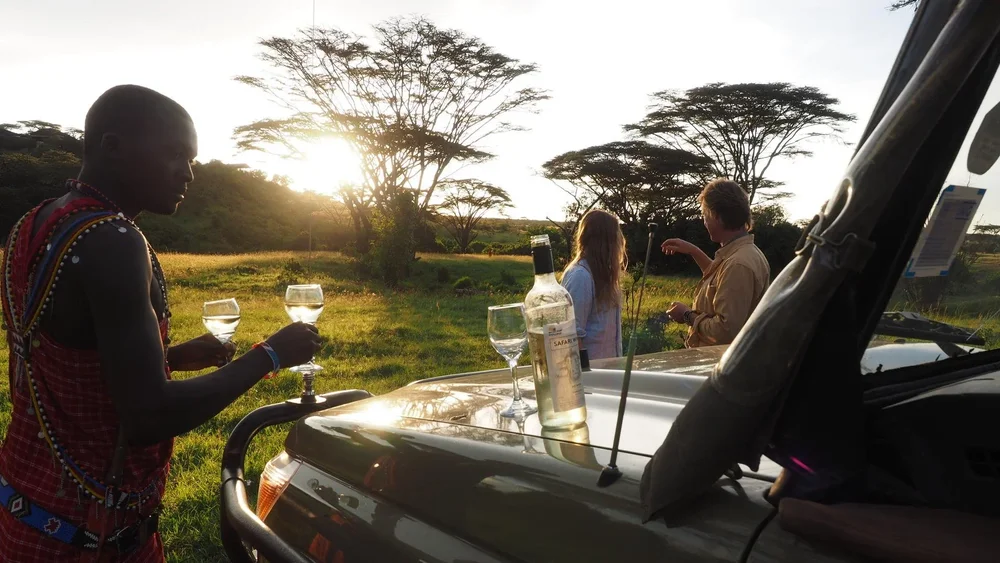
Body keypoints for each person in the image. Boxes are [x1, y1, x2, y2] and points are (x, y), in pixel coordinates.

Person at [0, 85, 321, 562]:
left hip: (26, 505)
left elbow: (64, 357)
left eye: (190, 158)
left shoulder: (35, 222)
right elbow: (149, 414)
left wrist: (168, 357)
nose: (187, 172)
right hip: (92, 533)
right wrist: (271, 354)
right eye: (174, 154)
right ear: (112, 145)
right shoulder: (114, 240)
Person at [662, 178, 770, 348]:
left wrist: (687, 315)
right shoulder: (742, 255)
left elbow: (725, 331)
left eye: (705, 216)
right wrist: (694, 251)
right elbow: (721, 280)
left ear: (717, 216)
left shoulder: (738, 264)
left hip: (719, 366)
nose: (704, 222)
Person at [560, 209, 626, 363]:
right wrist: (588, 376)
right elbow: (572, 337)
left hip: (607, 374)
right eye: (616, 237)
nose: (620, 242)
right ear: (607, 242)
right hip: (590, 377)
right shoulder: (580, 276)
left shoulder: (603, 276)